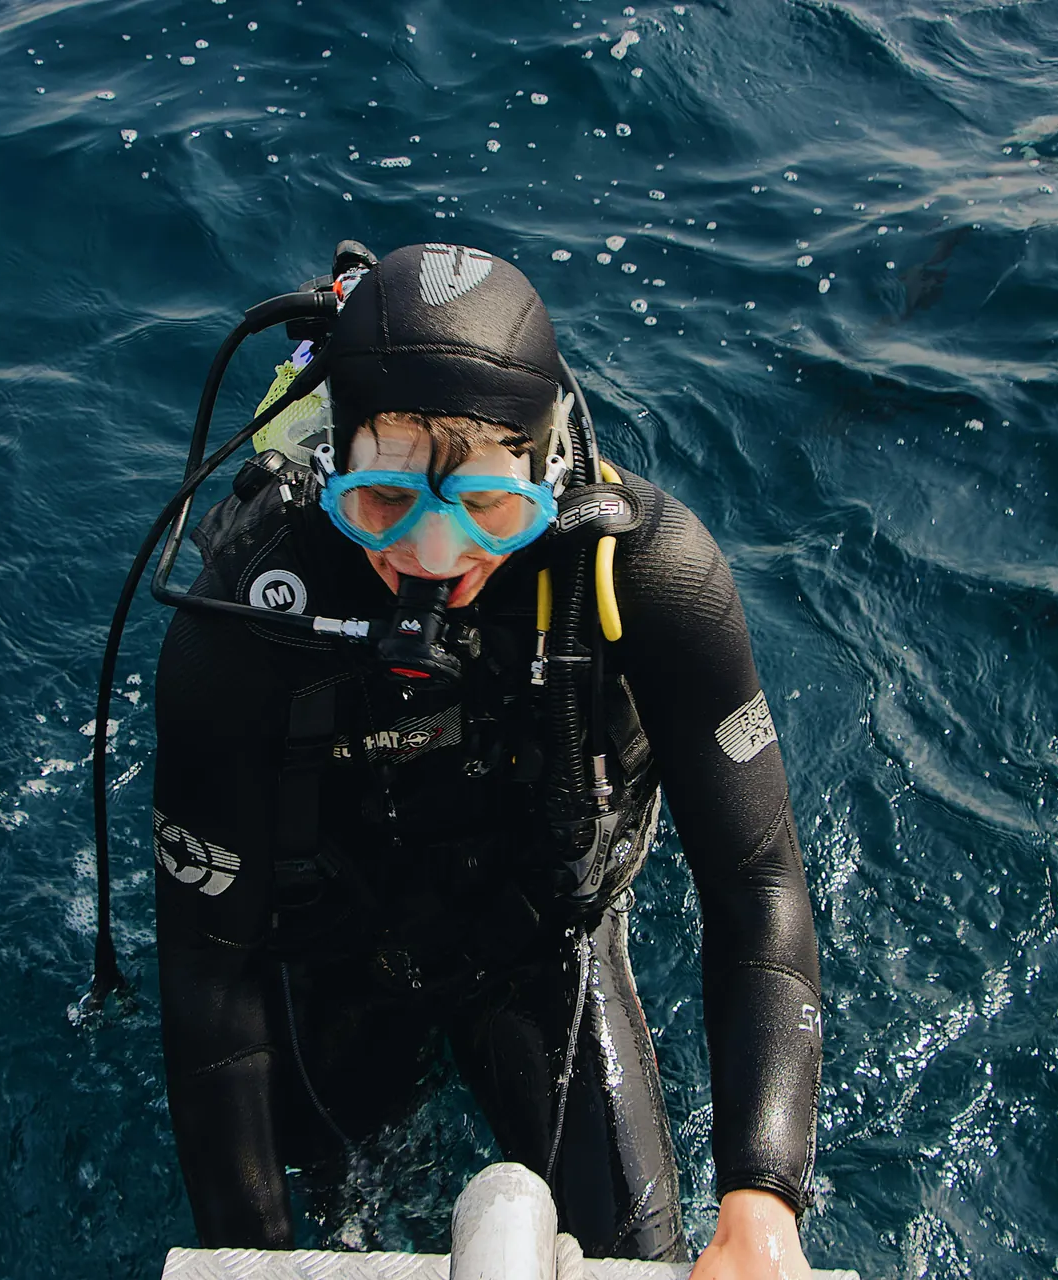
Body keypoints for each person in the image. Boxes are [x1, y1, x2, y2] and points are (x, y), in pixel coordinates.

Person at [150, 243, 823, 1278]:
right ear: (330, 469)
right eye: (384, 501)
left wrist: (763, 1197)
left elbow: (758, 884)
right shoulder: (246, 615)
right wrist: (251, 1255)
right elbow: (207, 964)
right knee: (305, 1200)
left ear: (549, 480)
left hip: (539, 932)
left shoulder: (648, 571)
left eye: (486, 509)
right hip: (330, 943)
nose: (429, 554)